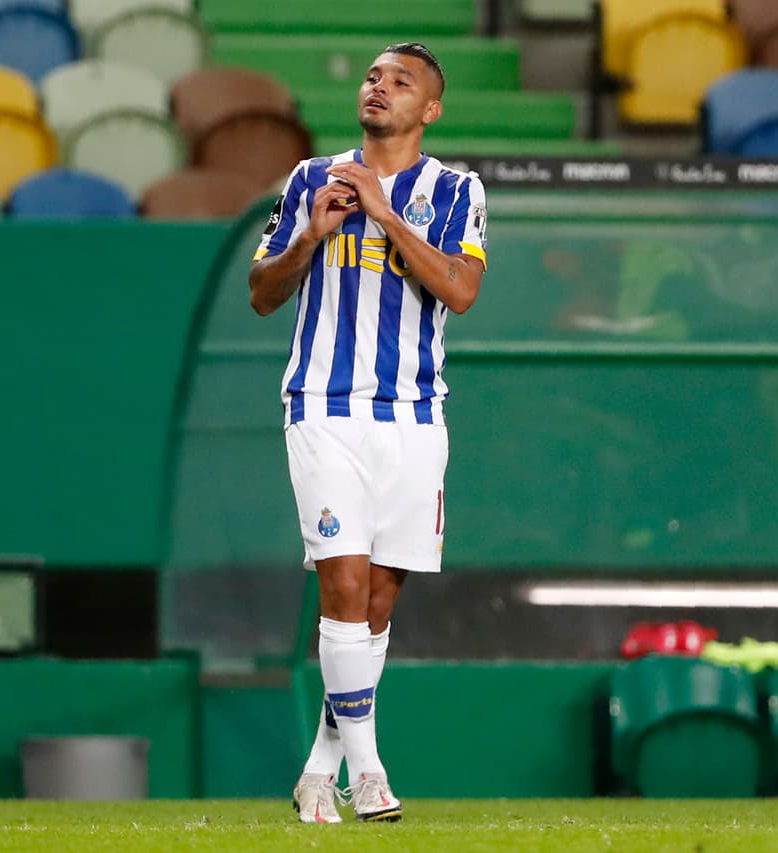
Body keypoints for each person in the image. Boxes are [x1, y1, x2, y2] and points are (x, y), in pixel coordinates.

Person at [248, 42, 488, 823]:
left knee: (378, 606)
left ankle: (320, 769)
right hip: (324, 405)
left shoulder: (457, 190)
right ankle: (370, 771)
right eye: (373, 76)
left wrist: (385, 216)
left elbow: (459, 290)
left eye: (400, 82)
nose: (379, 88)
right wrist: (308, 238)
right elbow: (261, 292)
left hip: (415, 416)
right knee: (343, 586)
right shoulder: (312, 178)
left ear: (430, 110)